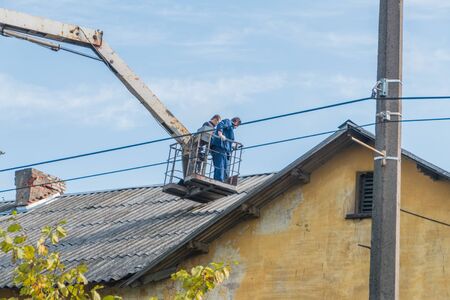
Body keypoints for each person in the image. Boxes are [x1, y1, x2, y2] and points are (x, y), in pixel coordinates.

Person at [210, 117, 241, 182]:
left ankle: (223, 181)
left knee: (225, 168)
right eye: (237, 125)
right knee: (220, 166)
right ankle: (218, 181)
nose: (236, 127)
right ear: (236, 122)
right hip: (219, 147)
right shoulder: (228, 122)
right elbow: (221, 124)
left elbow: (228, 141)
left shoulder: (230, 130)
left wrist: (233, 147)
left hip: (225, 150)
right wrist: (220, 134)